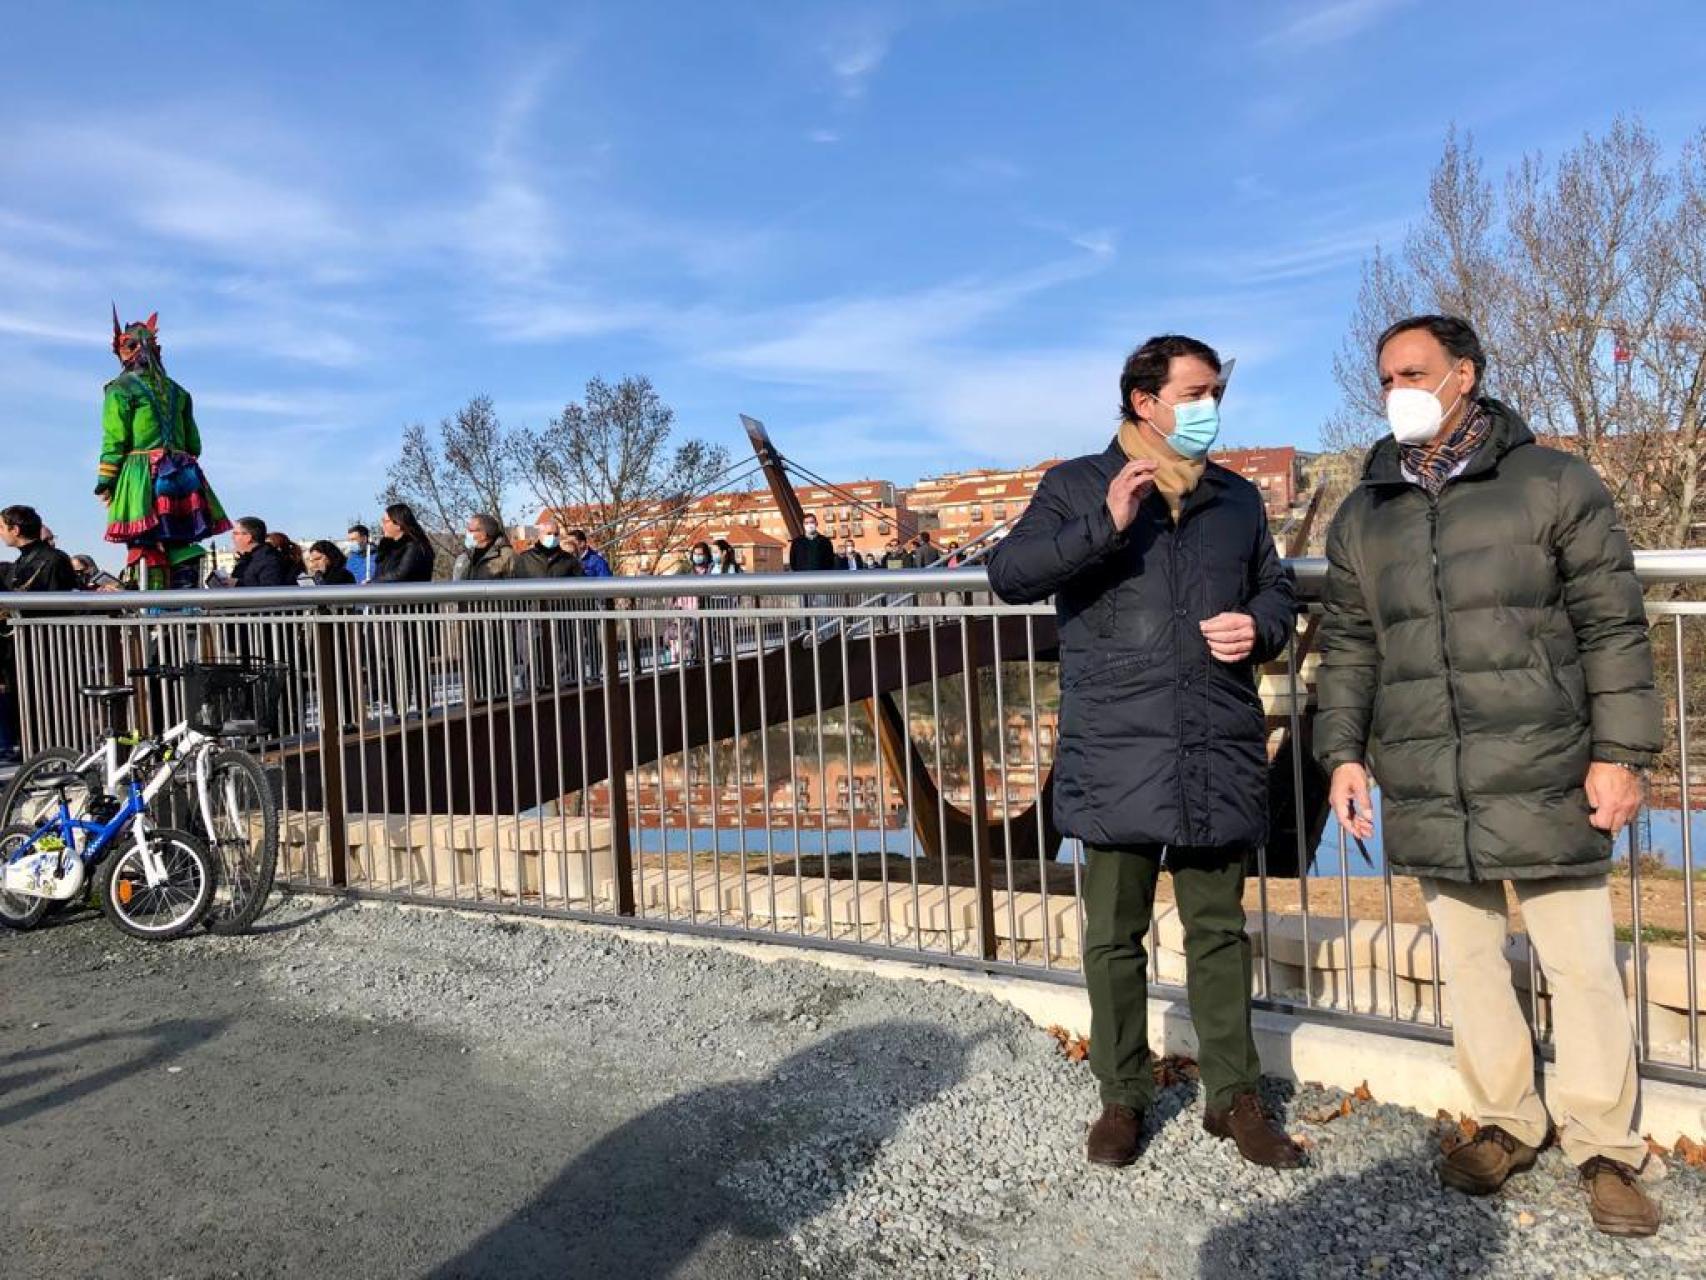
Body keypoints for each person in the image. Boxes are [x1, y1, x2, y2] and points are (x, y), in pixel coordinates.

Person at [1315, 315, 1664, 1237]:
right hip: (1428, 769)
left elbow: (1613, 629)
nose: (1397, 389)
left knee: (1580, 964)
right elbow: (1348, 648)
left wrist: (1622, 755)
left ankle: (1605, 1146)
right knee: (1470, 962)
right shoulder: (1366, 510)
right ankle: (1509, 1120)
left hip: (1546, 763)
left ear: (1464, 375)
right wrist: (1342, 755)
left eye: (1414, 371)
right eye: (1386, 375)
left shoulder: (1552, 482)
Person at [987, 333, 1302, 1172]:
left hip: (1213, 739)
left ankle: (1234, 1096)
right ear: (1144, 402)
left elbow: (1276, 588)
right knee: (1112, 935)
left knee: (1218, 930)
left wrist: (1262, 626)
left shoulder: (1236, 498)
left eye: (1214, 395)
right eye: (1195, 394)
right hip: (1117, 744)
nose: (1210, 411)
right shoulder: (1076, 485)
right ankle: (1122, 1095)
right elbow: (1009, 574)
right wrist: (1105, 524)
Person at [96, 307, 231, 589]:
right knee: (181, 539)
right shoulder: (178, 391)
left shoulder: (119, 388)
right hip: (183, 472)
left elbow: (115, 440)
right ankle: (186, 606)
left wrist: (105, 481)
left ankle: (155, 616)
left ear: (124, 351)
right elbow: (194, 444)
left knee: (144, 542)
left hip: (141, 473)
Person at [0, 505, 80, 763]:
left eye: (3, 528)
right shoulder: (20, 562)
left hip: (48, 648)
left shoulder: (53, 559)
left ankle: (54, 754)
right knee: (24, 703)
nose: (1, 534)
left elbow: (62, 607)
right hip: (21, 648)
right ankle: (33, 754)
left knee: (50, 703)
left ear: (16, 529)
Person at [374, 503, 436, 583]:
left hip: (411, 594)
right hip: (388, 593)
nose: (382, 525)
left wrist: (374, 582)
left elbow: (401, 575)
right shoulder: (388, 548)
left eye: (385, 521)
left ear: (398, 524)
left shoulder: (415, 546)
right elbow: (380, 574)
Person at [514, 517, 584, 580]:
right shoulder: (524, 559)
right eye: (549, 534)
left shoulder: (569, 560)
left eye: (556, 534)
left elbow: (581, 585)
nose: (553, 537)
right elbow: (515, 586)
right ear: (540, 535)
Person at [229, 517, 291, 587]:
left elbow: (271, 591)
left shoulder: (269, 560)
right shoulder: (247, 559)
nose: (232, 537)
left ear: (248, 537)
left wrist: (238, 584)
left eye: (235, 533)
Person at [462, 513, 514, 581]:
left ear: (484, 534)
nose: (467, 533)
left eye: (471, 530)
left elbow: (517, 587)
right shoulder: (465, 556)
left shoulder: (506, 556)